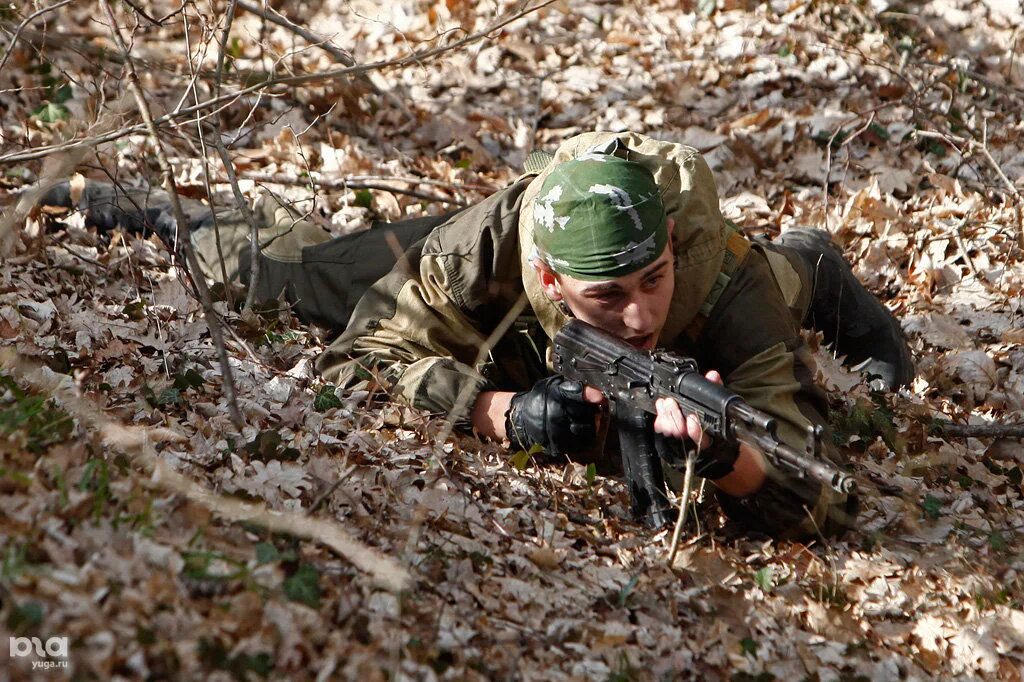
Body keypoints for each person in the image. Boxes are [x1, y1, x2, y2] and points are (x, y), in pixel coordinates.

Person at [41, 131, 914, 537]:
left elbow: (816, 491)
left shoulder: (717, 276)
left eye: (653, 279)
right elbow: (363, 360)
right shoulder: (488, 249)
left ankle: (812, 261)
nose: (641, 316)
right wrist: (503, 415)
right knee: (298, 275)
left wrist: (729, 461)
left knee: (774, 289)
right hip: (509, 327)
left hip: (734, 291)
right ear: (549, 278)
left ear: (672, 247)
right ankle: (126, 207)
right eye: (609, 296)